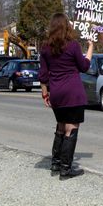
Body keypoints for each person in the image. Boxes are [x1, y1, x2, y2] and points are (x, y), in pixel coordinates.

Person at [38, 13, 94, 180]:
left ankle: (55, 164)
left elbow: (43, 74)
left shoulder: (46, 48)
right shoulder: (73, 45)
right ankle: (65, 169)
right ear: (66, 27)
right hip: (73, 93)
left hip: (56, 93)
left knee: (61, 127)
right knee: (71, 128)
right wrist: (91, 47)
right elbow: (84, 66)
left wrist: (44, 93)